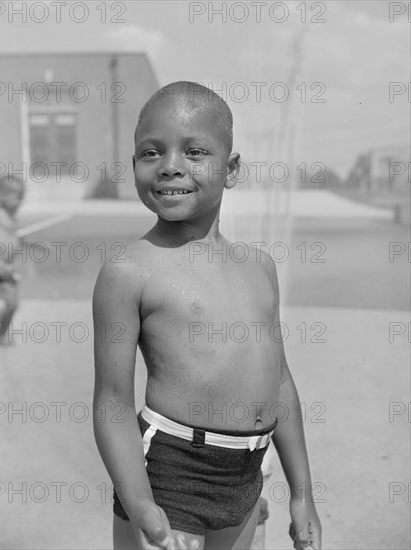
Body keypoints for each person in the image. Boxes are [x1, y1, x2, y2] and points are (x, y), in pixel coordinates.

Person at [92, 81, 322, 550]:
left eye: (195, 151)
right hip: (172, 474)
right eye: (150, 152)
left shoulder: (259, 267)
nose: (171, 165)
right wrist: (142, 506)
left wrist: (302, 495)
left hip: (245, 472)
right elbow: (112, 402)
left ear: (231, 169)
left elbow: (278, 382)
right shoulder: (129, 271)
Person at [0, 174, 25, 347]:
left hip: (10, 267)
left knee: (14, 305)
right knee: (9, 303)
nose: (20, 201)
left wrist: (36, 246)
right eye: (16, 197)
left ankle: (0, 336)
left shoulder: (13, 219)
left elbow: (16, 239)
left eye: (21, 197)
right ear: (2, 195)